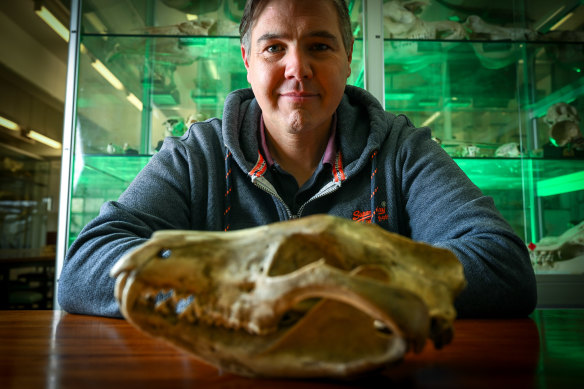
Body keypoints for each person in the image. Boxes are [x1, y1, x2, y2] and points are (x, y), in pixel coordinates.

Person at [58, 0, 537, 318]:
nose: (297, 69)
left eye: (319, 46)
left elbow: (502, 267)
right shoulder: (197, 155)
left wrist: (321, 285)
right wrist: (238, 292)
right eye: (274, 48)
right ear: (247, 61)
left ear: (349, 57)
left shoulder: (402, 151)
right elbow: (86, 267)